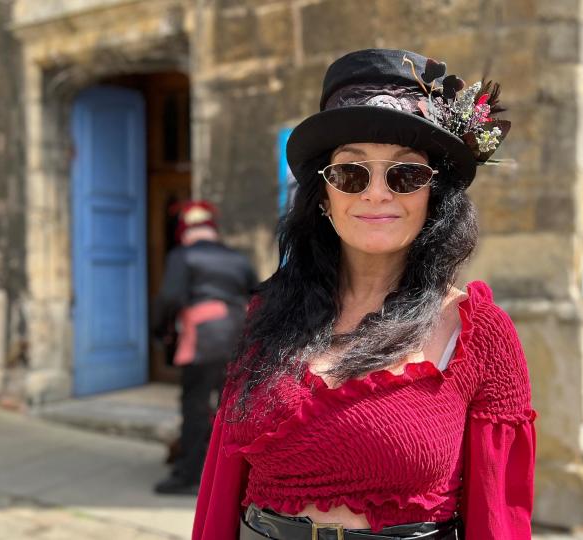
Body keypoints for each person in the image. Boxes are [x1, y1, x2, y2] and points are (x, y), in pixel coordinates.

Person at [192, 49, 536, 539]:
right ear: (325, 197)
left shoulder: (478, 334)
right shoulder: (267, 315)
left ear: (433, 197)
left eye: (406, 173)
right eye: (351, 173)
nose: (376, 193)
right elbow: (221, 485)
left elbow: (499, 517)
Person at [150, 200, 257, 495]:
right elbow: (258, 294)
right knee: (233, 406)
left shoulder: (182, 256)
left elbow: (170, 298)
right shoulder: (237, 257)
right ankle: (235, 472)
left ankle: (189, 473)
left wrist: (159, 330)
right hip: (239, 334)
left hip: (203, 337)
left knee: (195, 404)